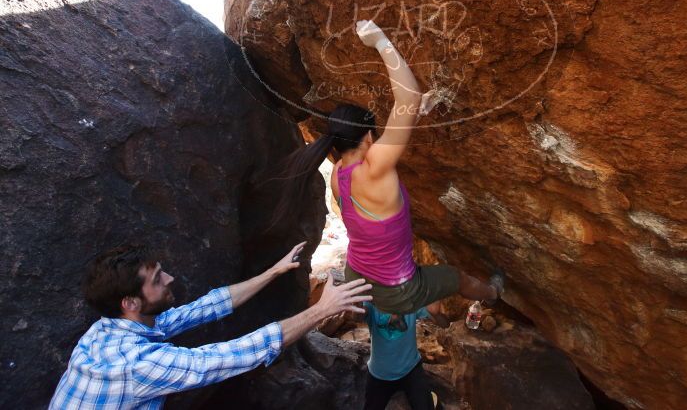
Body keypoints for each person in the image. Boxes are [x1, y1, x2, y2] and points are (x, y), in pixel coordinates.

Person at [271, 20, 503, 327]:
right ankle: (493, 294)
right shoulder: (376, 166)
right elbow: (409, 98)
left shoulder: (339, 173)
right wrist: (381, 41)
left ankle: (416, 317)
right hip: (397, 288)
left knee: (410, 267)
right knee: (455, 278)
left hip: (359, 274)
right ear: (369, 138)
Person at [49, 241, 372, 409]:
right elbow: (227, 357)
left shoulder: (108, 329)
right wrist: (322, 310)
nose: (170, 278)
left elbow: (205, 308)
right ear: (130, 303)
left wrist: (272, 272)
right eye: (158, 278)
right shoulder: (135, 365)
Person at [361, 301, 450, 410]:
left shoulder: (409, 300)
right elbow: (357, 315)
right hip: (379, 374)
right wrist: (354, 305)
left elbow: (445, 324)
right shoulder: (372, 302)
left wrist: (436, 314)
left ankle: (430, 398)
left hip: (411, 369)